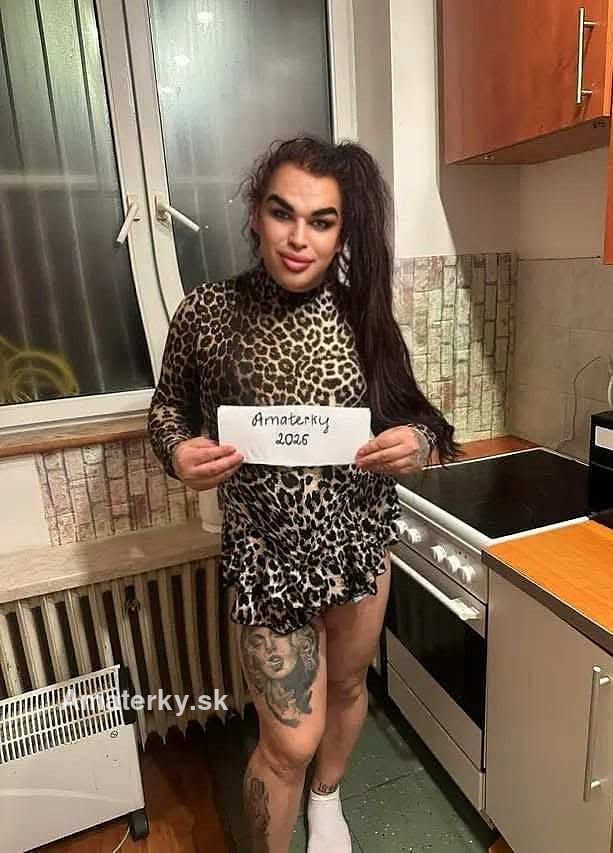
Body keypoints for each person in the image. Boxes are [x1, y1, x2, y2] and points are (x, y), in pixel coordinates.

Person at [148, 136, 458, 853]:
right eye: (282, 212)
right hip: (266, 556)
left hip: (357, 546)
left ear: (342, 232)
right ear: (255, 214)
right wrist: (177, 451)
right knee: (289, 739)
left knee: (347, 690)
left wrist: (416, 441)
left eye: (322, 221)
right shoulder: (206, 313)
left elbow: (421, 417)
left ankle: (328, 798)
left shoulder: (364, 316)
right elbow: (166, 410)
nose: (298, 238)